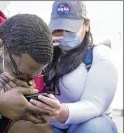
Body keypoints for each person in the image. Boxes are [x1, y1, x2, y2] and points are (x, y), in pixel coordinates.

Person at [29, 1, 119, 133]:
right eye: (58, 29)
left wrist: (59, 111)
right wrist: (40, 52)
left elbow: (95, 105)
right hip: (52, 125)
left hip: (89, 123)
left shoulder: (99, 55)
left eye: (70, 29)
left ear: (86, 25)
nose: (64, 34)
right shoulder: (48, 54)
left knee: (93, 128)